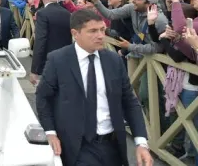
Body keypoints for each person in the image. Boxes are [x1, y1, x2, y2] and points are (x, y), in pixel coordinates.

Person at [36, 9, 152, 166]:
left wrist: (141, 142)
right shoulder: (58, 59)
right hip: (78, 145)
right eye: (93, 31)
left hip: (112, 145)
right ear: (75, 34)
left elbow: (130, 102)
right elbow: (43, 97)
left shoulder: (113, 60)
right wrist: (50, 133)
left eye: (102, 30)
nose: (100, 35)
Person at [30, 0, 72, 85]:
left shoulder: (42, 13)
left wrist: (34, 70)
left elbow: (40, 41)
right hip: (65, 59)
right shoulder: (67, 13)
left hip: (48, 61)